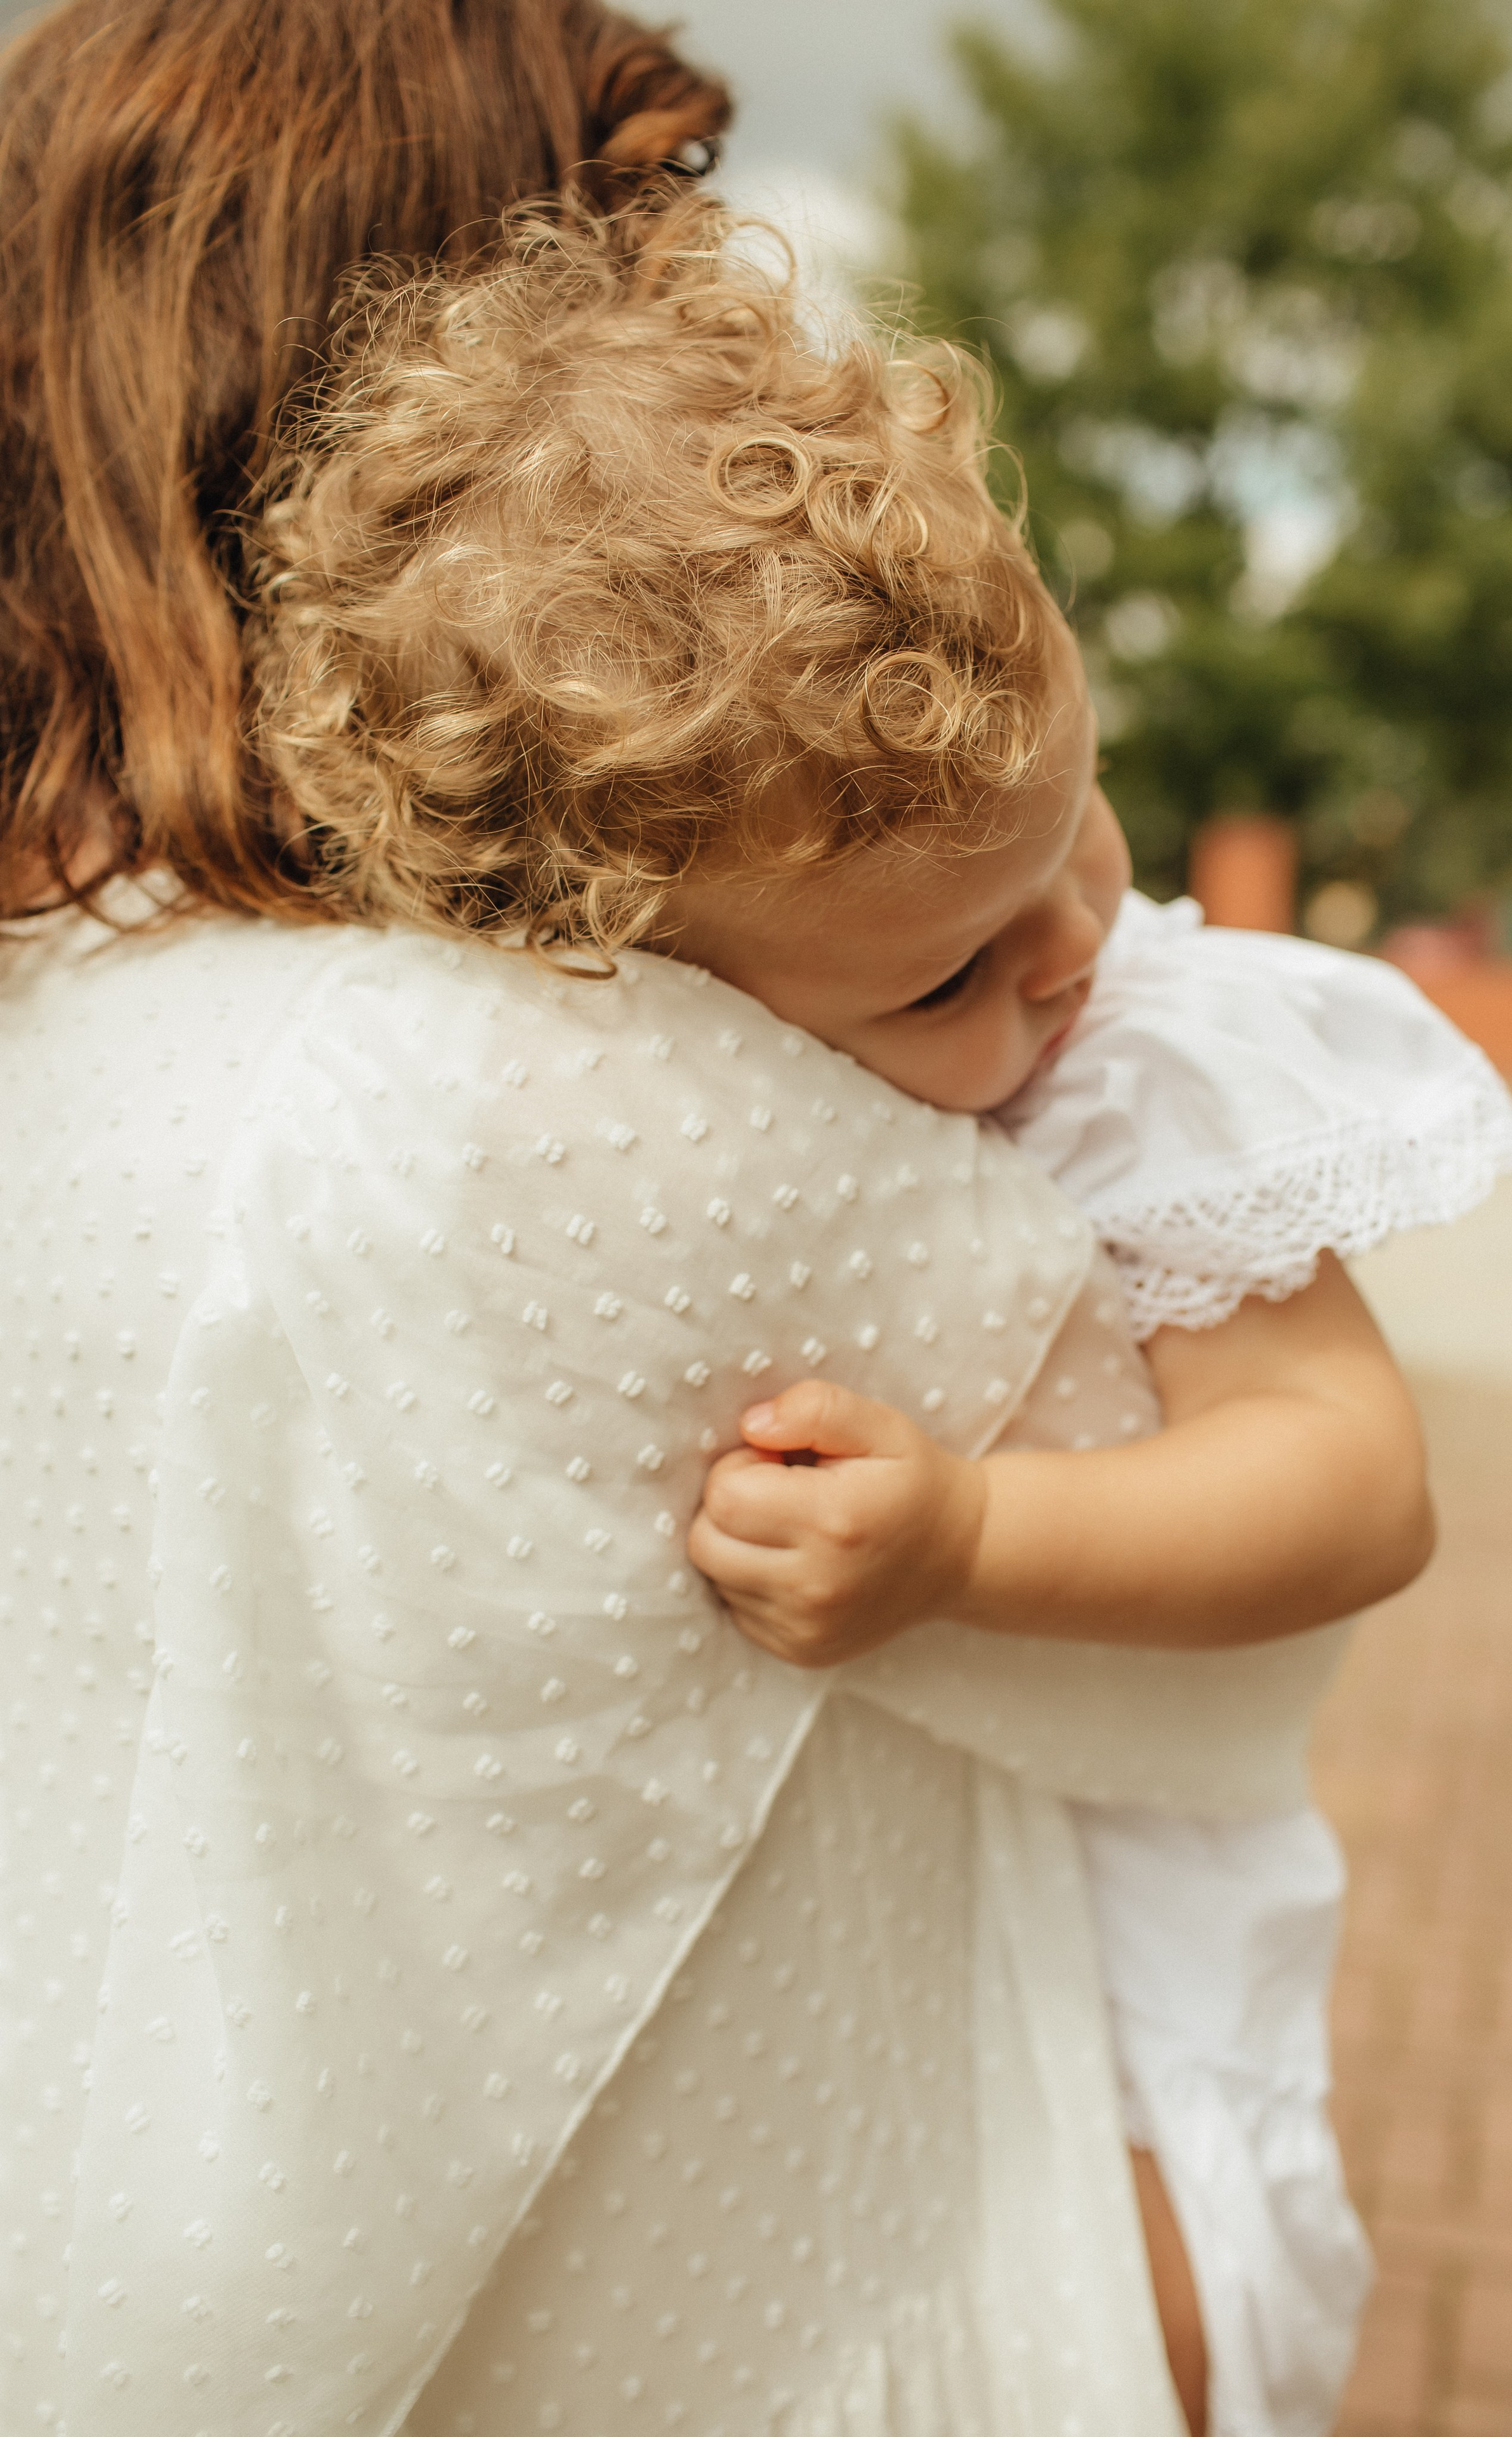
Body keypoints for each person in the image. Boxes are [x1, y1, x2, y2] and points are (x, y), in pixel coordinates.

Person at [1, 13, 1209, 2436]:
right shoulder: (504, 1075)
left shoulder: (89, 976)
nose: (665, 289)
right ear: (364, 324)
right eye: (624, 201)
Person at [239, 202, 1512, 2435]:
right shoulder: (603, 1099)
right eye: (944, 971)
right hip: (841, 1986)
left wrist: (967, 1549)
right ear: (654, 997)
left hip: (1131, 1902)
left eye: (1079, 826)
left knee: (1169, 2324)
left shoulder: (1147, 1061)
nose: (1065, 955)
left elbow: (1358, 1481)